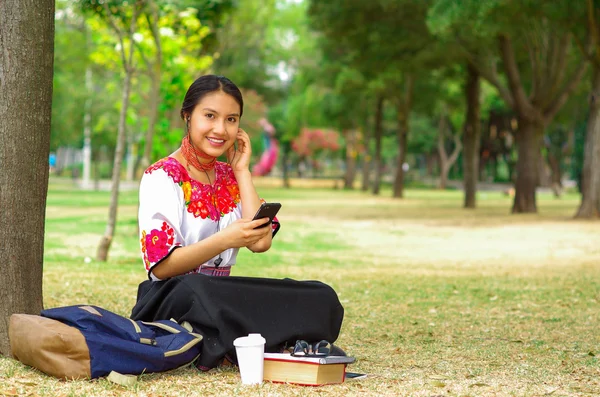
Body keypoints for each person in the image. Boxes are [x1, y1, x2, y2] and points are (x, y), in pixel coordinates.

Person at [130, 75, 344, 371]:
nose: (221, 129)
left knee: (320, 295)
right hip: (173, 296)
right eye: (210, 116)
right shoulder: (162, 177)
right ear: (187, 116)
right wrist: (226, 239)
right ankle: (248, 339)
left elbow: (261, 242)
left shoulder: (231, 176)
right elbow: (161, 267)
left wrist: (241, 170)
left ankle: (224, 340)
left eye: (231, 119)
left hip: (223, 295)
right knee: (199, 290)